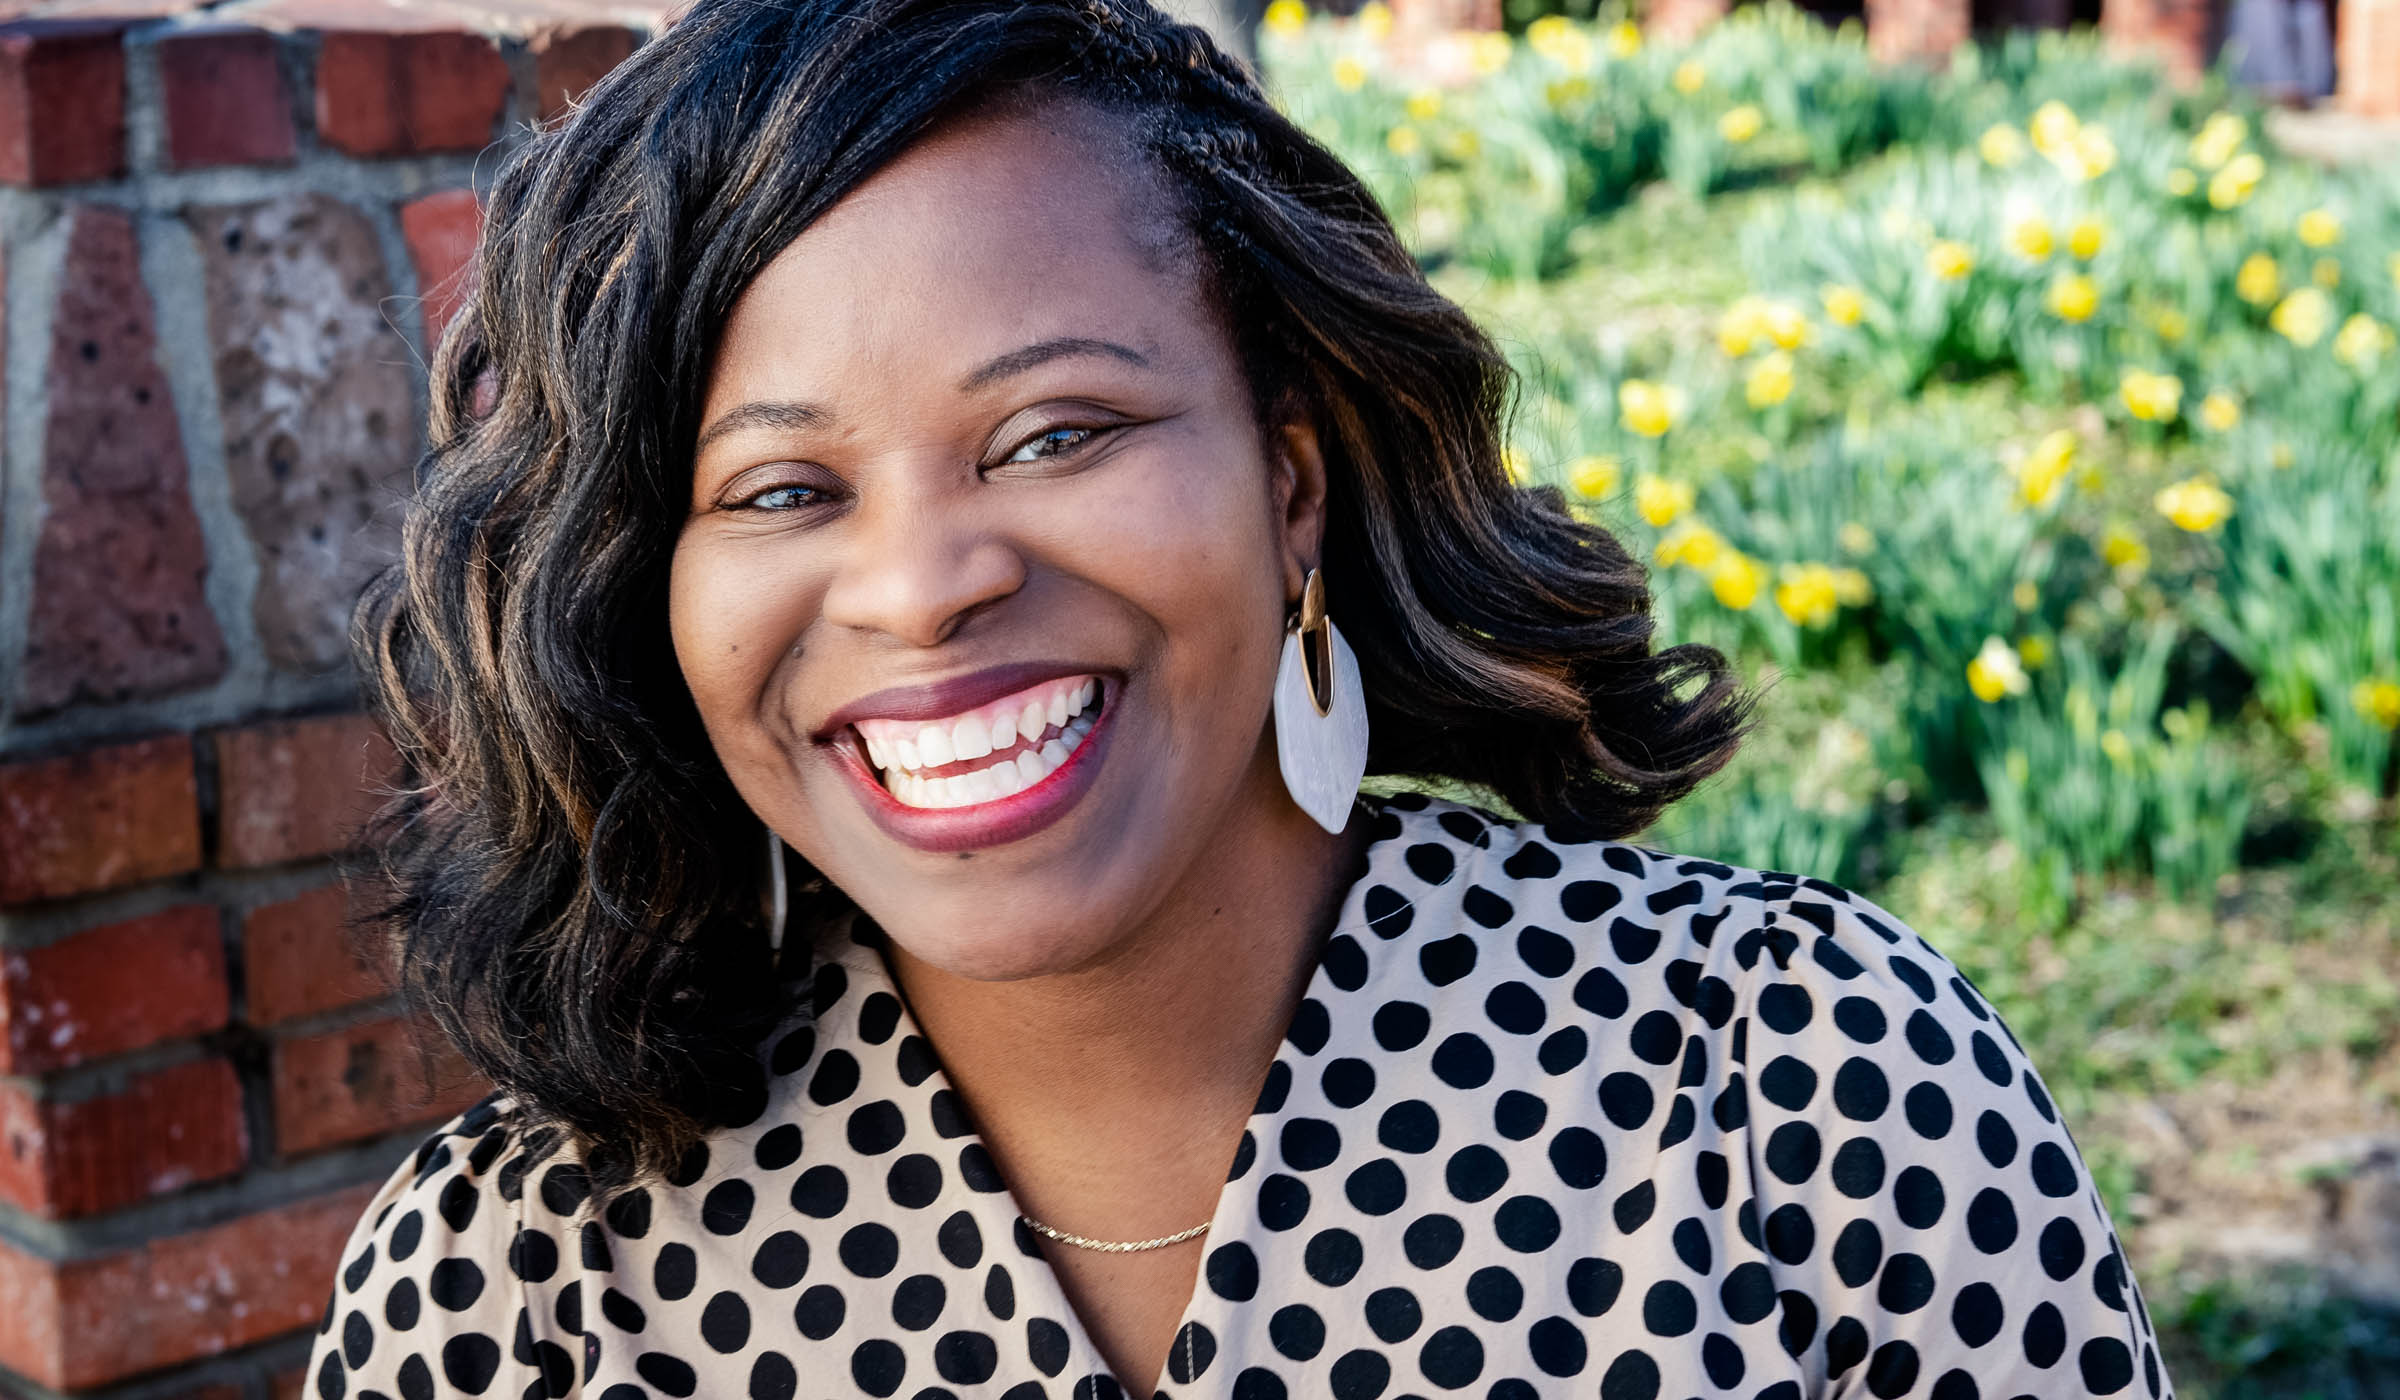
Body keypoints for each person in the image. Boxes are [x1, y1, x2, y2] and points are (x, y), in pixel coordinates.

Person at [308, 1, 2176, 1396]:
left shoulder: (1797, 1081)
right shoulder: (513, 1294)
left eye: (1058, 432)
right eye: (784, 491)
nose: (922, 581)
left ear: (1291, 484)